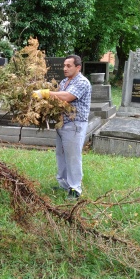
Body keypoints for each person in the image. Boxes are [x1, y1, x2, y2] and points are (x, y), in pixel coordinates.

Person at [32, 55, 91, 200]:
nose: (65, 68)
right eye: (64, 65)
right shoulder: (65, 81)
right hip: (62, 124)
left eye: (69, 66)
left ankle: (75, 188)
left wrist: (46, 93)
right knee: (61, 154)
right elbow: (57, 99)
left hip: (74, 124)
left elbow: (67, 97)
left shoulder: (82, 82)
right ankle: (64, 184)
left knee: (72, 156)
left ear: (78, 67)